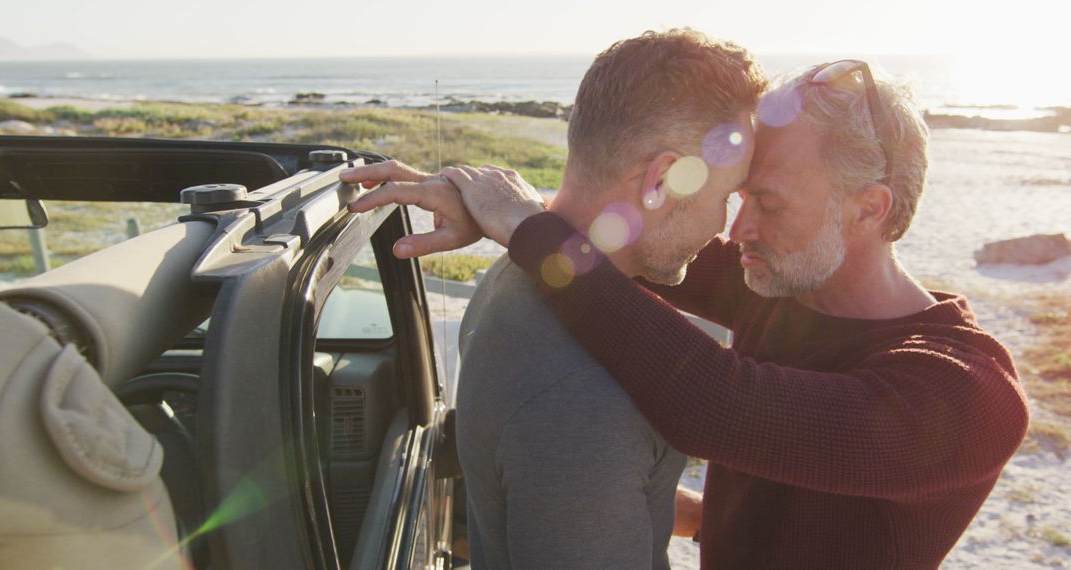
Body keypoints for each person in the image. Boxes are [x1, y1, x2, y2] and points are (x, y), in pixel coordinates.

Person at [340, 58, 1030, 568]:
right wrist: (499, 206)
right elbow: (632, 239)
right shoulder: (780, 281)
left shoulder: (967, 395)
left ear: (868, 208)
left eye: (769, 202)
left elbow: (713, 404)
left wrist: (527, 227)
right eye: (740, 194)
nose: (736, 230)